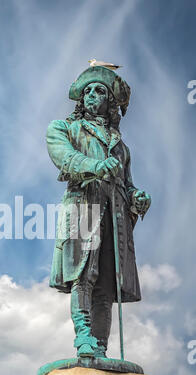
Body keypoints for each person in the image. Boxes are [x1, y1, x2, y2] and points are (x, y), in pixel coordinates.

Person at [46, 65, 151, 359]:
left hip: (115, 216)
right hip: (83, 208)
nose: (92, 94)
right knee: (84, 274)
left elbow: (126, 184)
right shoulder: (64, 128)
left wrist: (136, 198)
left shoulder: (122, 146)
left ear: (110, 102)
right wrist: (95, 167)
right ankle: (84, 338)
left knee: (106, 283)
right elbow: (66, 158)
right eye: (88, 90)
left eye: (100, 90)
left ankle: (101, 347)